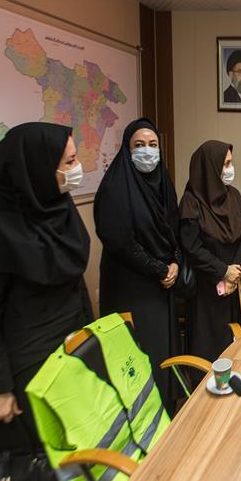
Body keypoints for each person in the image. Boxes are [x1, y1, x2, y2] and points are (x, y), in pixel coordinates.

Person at [0, 122, 91, 481]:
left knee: (74, 460)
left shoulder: (58, 206)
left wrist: (90, 342)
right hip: (25, 371)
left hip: (69, 354)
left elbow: (74, 283)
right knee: (34, 475)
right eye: (68, 161)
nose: (76, 168)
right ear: (36, 166)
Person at [94, 118, 180, 410]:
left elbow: (174, 229)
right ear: (127, 149)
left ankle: (166, 415)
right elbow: (120, 243)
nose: (147, 151)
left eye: (153, 145)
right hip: (132, 287)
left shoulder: (163, 182)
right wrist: (160, 269)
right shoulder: (115, 188)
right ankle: (143, 420)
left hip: (163, 285)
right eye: (139, 145)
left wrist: (175, 262)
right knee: (141, 358)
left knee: (163, 355)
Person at [179, 140, 241, 362]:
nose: (230, 169)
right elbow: (191, 246)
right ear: (210, 167)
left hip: (233, 282)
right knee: (208, 348)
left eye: (231, 163)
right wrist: (223, 271)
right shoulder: (191, 201)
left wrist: (234, 272)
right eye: (225, 164)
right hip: (206, 286)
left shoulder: (234, 195)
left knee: (234, 340)